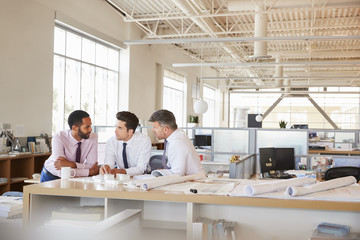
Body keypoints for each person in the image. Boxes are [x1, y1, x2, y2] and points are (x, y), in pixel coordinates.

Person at [41, 110, 99, 182]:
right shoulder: (58, 138)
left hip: (77, 177)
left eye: (90, 125)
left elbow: (91, 165)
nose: (90, 129)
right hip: (51, 176)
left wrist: (71, 164)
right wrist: (90, 172)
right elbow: (62, 172)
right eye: (87, 127)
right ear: (74, 128)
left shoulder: (93, 137)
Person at [148, 109, 204, 176]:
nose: (153, 130)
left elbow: (178, 173)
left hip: (193, 182)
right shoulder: (175, 135)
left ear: (166, 129)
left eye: (155, 128)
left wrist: (162, 173)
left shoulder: (177, 142)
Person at [100, 111, 151, 176]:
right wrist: (106, 167)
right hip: (120, 176)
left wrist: (124, 171)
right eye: (116, 127)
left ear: (130, 131)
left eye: (120, 128)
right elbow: (110, 163)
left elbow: (140, 168)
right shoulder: (111, 141)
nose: (115, 131)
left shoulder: (144, 141)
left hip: (141, 176)